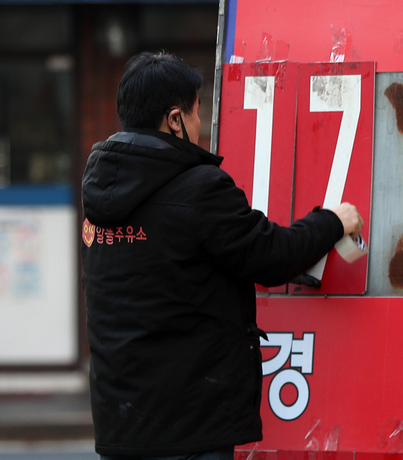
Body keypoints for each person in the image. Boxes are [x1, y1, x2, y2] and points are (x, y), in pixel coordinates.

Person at [81, 51, 363, 460]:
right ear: (174, 118)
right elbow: (272, 257)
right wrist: (333, 221)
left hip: (119, 426)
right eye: (197, 115)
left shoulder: (99, 192)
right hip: (190, 425)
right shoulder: (198, 189)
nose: (201, 127)